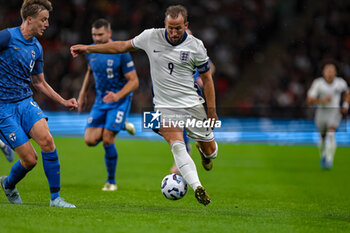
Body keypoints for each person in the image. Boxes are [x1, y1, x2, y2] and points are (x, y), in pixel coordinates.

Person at [71, 5, 219, 206]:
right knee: (177, 145)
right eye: (170, 28)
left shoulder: (196, 46)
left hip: (192, 105)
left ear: (186, 25)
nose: (174, 33)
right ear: (164, 24)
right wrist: (88, 48)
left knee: (211, 152)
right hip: (164, 107)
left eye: (178, 28)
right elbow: (121, 46)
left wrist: (212, 110)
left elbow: (207, 80)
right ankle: (198, 187)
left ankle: (204, 153)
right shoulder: (150, 37)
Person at [0, 0, 77, 208]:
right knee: (30, 160)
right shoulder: (6, 37)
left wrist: (63, 101)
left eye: (48, 20)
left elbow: (39, 82)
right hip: (3, 108)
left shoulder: (36, 47)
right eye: (43, 20)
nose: (47, 24)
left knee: (48, 141)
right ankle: (8, 184)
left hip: (25, 102)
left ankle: (56, 198)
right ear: (29, 19)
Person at [77, 18, 139, 191]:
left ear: (109, 33)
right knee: (89, 140)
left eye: (100, 35)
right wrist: (82, 94)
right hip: (100, 101)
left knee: (107, 139)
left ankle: (111, 182)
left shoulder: (121, 52)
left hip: (119, 100)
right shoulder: (91, 51)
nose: (96, 38)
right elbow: (90, 71)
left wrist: (117, 95)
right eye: (94, 35)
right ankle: (122, 124)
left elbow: (134, 82)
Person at [307, 60, 350, 169]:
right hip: (321, 112)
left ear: (335, 73)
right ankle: (323, 156)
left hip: (334, 111)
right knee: (322, 137)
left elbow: (348, 93)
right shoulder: (318, 83)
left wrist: (345, 105)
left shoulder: (340, 83)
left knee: (331, 133)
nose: (330, 73)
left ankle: (330, 159)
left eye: (332, 71)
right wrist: (323, 100)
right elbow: (309, 100)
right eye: (328, 71)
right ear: (323, 72)